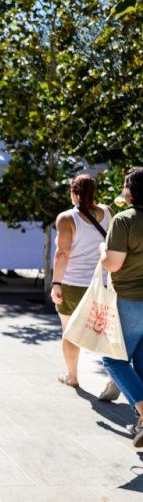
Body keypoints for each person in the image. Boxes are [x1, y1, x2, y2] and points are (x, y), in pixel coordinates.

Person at [51, 174, 112, 389]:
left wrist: (56, 283)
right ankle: (113, 377)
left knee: (69, 332)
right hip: (102, 284)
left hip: (73, 284)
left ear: (74, 192)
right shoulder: (108, 212)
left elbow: (62, 253)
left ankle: (72, 376)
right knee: (106, 333)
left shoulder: (66, 218)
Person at [100, 167, 143, 447]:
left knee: (113, 359)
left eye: (125, 185)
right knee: (141, 363)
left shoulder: (124, 220)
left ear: (132, 190)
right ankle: (141, 423)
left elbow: (113, 264)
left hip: (129, 299)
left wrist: (102, 252)